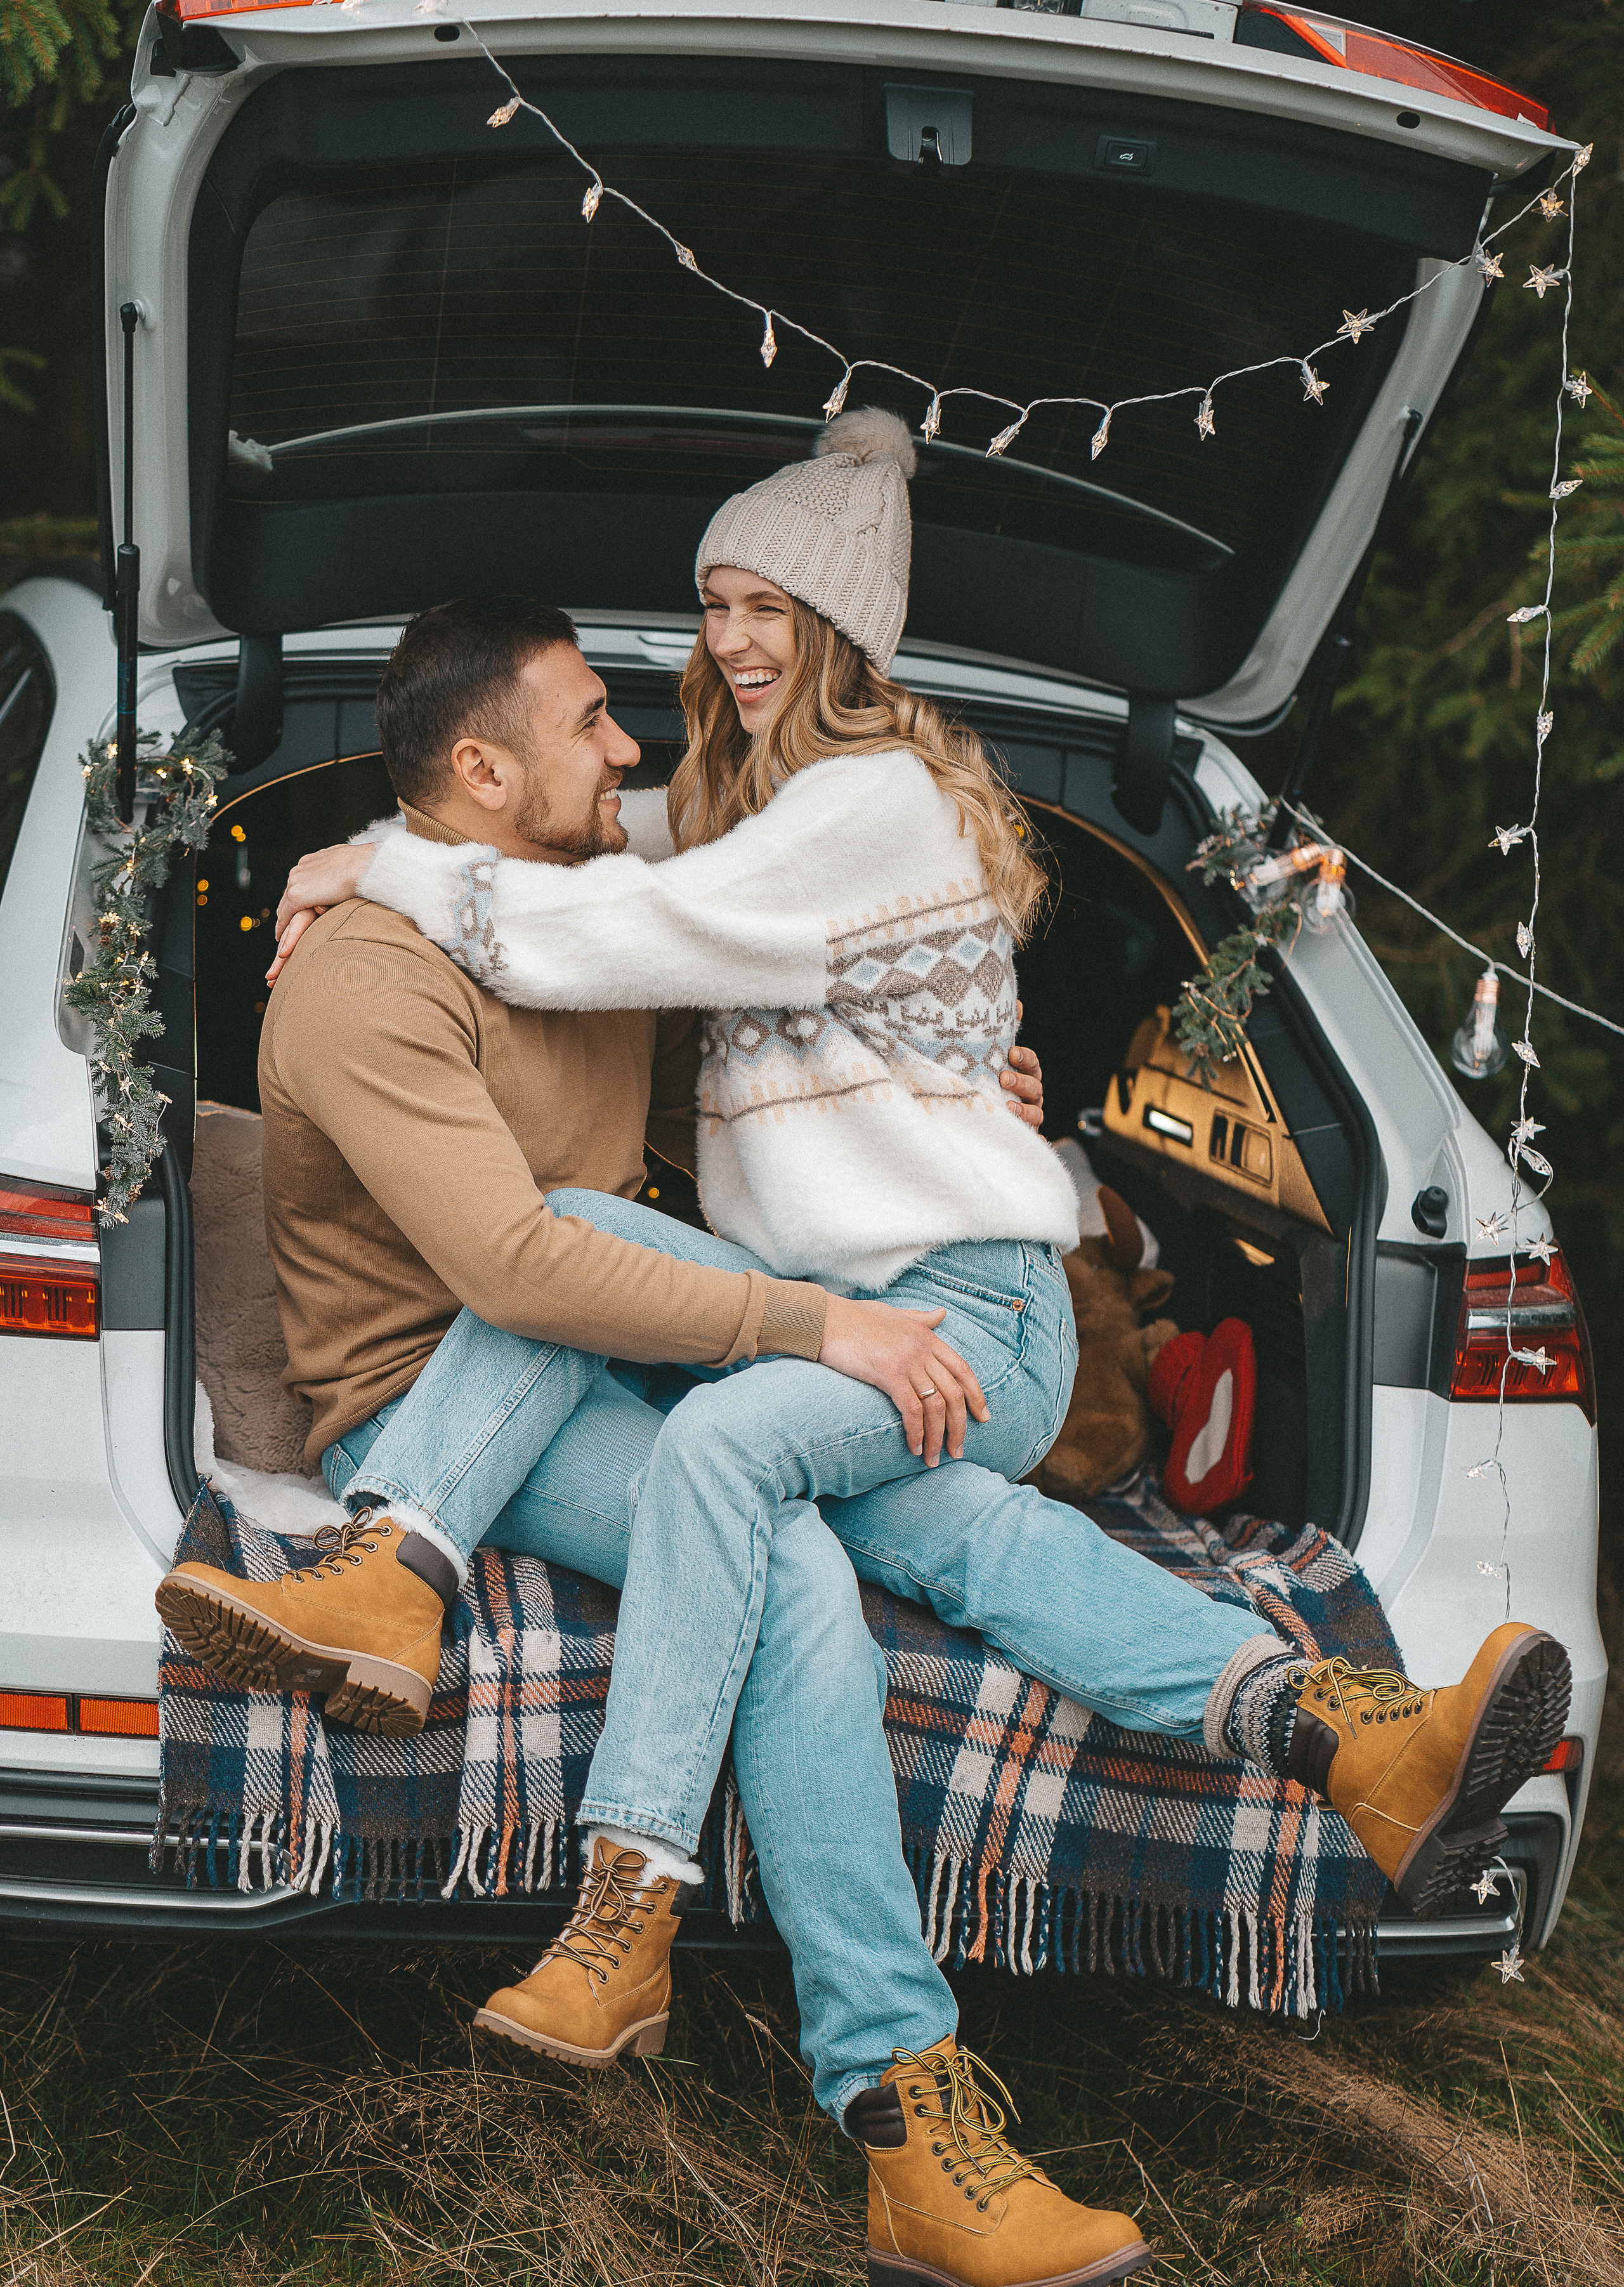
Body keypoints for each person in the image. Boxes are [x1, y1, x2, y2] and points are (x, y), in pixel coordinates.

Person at [163, 416, 1568, 2287]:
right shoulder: (569, 889)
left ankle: (614, 1898)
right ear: (494, 767)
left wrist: (960, 1107)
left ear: (844, 629)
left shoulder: (824, 817)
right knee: (822, 1545)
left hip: (891, 1309)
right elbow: (598, 988)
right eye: (694, 624)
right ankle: (998, 2028)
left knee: (709, 1416)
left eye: (767, 607)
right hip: (563, 1354)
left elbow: (625, 921)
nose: (674, 698)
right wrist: (363, 856)